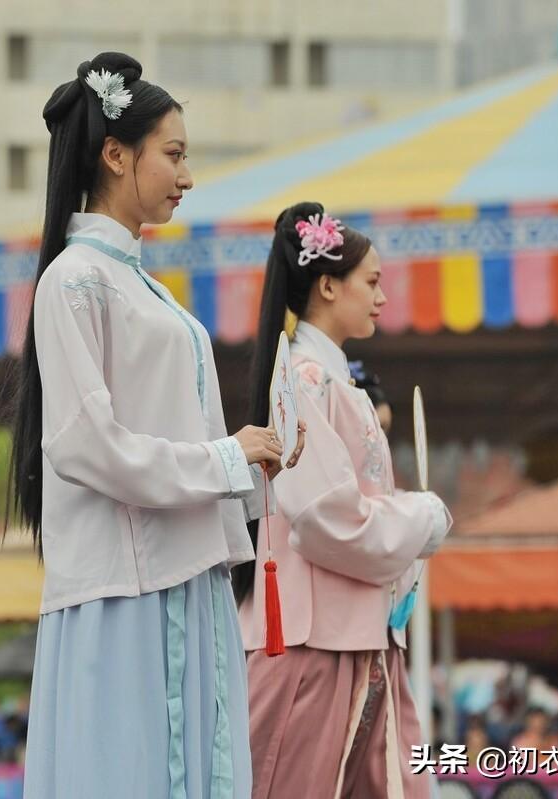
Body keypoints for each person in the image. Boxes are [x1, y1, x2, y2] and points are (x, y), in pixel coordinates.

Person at [8, 52, 302, 799]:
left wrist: (251, 472)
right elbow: (83, 443)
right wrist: (225, 459)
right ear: (115, 153)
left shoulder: (148, 291)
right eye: (173, 154)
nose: (186, 175)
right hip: (122, 592)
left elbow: (193, 446)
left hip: (187, 576)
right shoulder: (75, 282)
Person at [233, 202, 452, 799]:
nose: (383, 297)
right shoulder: (304, 379)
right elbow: (324, 517)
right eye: (373, 282)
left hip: (356, 638)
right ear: (328, 285)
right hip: (314, 647)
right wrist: (422, 515)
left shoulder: (325, 381)